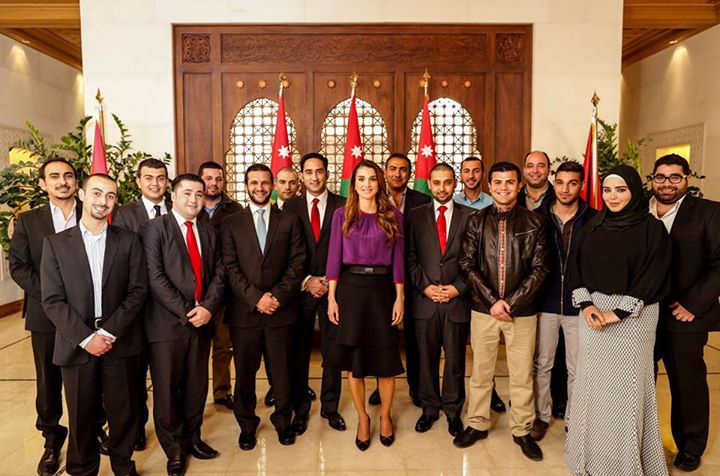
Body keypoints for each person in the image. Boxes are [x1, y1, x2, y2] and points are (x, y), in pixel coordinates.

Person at [565, 164, 671, 476]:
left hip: (635, 318)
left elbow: (654, 275)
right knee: (592, 387)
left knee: (627, 392)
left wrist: (619, 312)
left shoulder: (652, 229)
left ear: (634, 191)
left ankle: (624, 465)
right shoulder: (593, 225)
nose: (612, 197)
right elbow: (575, 268)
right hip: (593, 315)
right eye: (608, 190)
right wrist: (587, 305)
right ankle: (590, 458)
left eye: (621, 190)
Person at [41, 174, 147, 476]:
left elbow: (138, 291)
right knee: (81, 415)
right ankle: (82, 469)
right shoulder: (56, 244)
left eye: (110, 196)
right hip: (77, 343)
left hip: (120, 340)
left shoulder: (129, 240)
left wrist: (109, 332)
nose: (103, 201)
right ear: (82, 195)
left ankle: (123, 466)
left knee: (123, 412)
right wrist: (87, 338)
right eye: (97, 193)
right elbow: (52, 300)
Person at [8, 158, 96, 476]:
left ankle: (93, 429)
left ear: (76, 182)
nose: (63, 181)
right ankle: (52, 438)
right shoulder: (28, 221)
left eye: (68, 176)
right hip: (45, 315)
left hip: (88, 315)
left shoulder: (92, 213)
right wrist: (52, 295)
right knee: (49, 380)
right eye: (54, 176)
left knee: (90, 375)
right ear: (43, 183)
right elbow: (19, 267)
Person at [456, 161, 548, 462]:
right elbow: (466, 264)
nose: (503, 188)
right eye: (497, 182)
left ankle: (522, 430)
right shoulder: (475, 221)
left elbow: (540, 268)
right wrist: (493, 301)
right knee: (481, 373)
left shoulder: (535, 221)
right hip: (484, 310)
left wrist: (513, 303)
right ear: (490, 185)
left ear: (519, 185)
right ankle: (477, 423)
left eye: (510, 182)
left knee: (521, 374)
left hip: (522, 312)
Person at [142, 174, 225, 476]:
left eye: (199, 194)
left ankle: (193, 437)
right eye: (187, 193)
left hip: (202, 322)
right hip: (167, 326)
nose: (194, 199)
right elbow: (155, 276)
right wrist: (189, 311)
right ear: (173, 196)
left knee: (196, 385)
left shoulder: (209, 231)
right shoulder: (154, 229)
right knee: (167, 390)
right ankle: (174, 448)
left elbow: (220, 272)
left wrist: (208, 308)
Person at [221, 163, 305, 450]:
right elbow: (230, 267)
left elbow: (297, 263)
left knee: (282, 373)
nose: (260, 187)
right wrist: (256, 298)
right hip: (244, 313)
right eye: (254, 183)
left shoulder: (290, 220)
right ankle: (247, 425)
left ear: (273, 186)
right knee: (244, 375)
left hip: (281, 311)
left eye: (265, 182)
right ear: (246, 186)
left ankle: (283, 421)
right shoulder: (231, 223)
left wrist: (276, 297)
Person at [326, 159, 405, 451]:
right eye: (361, 179)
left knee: (385, 363)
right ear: (354, 184)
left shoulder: (394, 215)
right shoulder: (341, 214)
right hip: (351, 291)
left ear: (379, 182)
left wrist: (400, 297)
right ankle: (362, 417)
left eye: (372, 178)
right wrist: (332, 297)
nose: (367, 184)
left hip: (383, 292)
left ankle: (384, 416)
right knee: (356, 364)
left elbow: (399, 259)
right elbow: (333, 257)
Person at [650, 154, 720, 472]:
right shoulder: (638, 210)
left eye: (674, 177)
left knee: (687, 384)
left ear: (686, 179)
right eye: (660, 177)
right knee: (640, 381)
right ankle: (642, 441)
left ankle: (691, 446)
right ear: (652, 179)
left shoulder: (709, 212)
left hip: (685, 315)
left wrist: (693, 304)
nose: (667, 183)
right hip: (642, 315)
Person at [531, 161, 595, 441]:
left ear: (582, 185)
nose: (565, 189)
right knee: (542, 364)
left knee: (576, 367)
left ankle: (574, 418)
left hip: (579, 306)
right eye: (560, 182)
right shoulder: (537, 217)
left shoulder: (594, 219)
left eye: (572, 183)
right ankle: (541, 416)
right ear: (553, 183)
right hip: (544, 304)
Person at [283, 153, 347, 434]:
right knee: (299, 353)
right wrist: (306, 280)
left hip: (335, 291)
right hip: (301, 290)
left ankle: (330, 408)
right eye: (308, 172)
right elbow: (284, 251)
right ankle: (300, 409)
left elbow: (349, 249)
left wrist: (331, 281)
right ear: (302, 176)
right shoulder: (290, 206)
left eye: (319, 171)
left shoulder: (343, 204)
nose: (314, 177)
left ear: (327, 174)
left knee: (333, 352)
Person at [407, 163, 471, 438]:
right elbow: (410, 257)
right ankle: (430, 408)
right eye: (437, 182)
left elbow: (475, 260)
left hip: (457, 302)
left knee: (455, 361)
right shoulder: (415, 215)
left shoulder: (470, 216)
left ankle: (453, 411)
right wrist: (425, 288)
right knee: (426, 359)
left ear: (455, 183)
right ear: (429, 185)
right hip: (426, 301)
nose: (442, 188)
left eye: (447, 182)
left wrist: (458, 288)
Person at [112, 157, 171, 450]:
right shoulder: (123, 214)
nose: (155, 183)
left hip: (169, 310)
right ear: (138, 181)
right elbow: (121, 260)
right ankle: (136, 428)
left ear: (167, 181)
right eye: (148, 178)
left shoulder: (179, 207)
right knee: (134, 377)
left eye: (160, 178)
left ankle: (172, 429)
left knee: (168, 377)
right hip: (136, 310)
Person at [370, 152, 429, 408]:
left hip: (414, 277)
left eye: (403, 169)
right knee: (381, 336)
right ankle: (379, 387)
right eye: (392, 168)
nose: (397, 173)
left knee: (415, 338)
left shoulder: (422, 201)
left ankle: (417, 387)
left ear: (409, 173)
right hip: (383, 280)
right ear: (385, 172)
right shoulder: (373, 199)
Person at [453, 155, 506, 414]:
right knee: (459, 346)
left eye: (476, 171)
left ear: (483, 175)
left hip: (485, 285)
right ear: (460, 174)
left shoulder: (493, 202)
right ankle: (459, 394)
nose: (471, 175)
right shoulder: (452, 202)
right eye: (466, 171)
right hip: (458, 280)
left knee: (485, 348)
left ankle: (491, 391)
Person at [196, 161, 242, 412]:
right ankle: (194, 396)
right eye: (208, 178)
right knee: (196, 350)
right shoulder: (189, 206)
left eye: (218, 179)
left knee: (224, 347)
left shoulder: (234, 210)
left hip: (225, 292)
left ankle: (222, 393)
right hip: (195, 293)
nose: (213, 183)